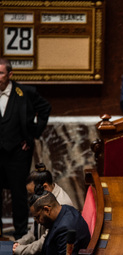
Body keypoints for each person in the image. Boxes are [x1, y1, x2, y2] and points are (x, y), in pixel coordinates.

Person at [0, 58, 51, 239]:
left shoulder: (25, 93)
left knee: (18, 192)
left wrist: (32, 134)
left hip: (18, 153)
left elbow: (45, 108)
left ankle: (21, 232)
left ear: (10, 74)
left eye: (1, 73)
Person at [13, 163, 74, 255]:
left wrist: (20, 250)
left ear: (45, 187)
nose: (33, 197)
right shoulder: (43, 198)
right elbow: (34, 230)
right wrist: (20, 243)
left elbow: (45, 240)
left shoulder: (60, 204)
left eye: (33, 193)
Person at [29, 189, 90, 255]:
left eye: (38, 217)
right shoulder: (66, 209)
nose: (37, 222)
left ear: (47, 209)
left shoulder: (65, 228)